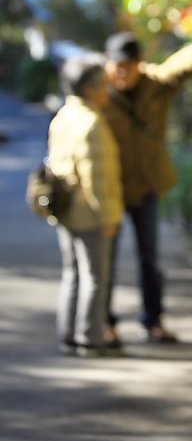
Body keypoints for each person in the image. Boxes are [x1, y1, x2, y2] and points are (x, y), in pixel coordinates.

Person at [103, 23, 192, 343]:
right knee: (103, 258)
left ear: (139, 64)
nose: (121, 74)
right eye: (115, 66)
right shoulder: (97, 91)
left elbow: (185, 62)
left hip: (145, 184)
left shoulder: (155, 85)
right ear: (106, 64)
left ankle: (153, 320)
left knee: (149, 256)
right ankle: (104, 323)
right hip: (108, 187)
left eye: (127, 67)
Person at [48, 54, 123, 357]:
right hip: (89, 213)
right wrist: (109, 216)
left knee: (72, 273)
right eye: (103, 84)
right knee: (95, 277)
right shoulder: (92, 123)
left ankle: (68, 335)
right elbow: (99, 179)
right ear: (90, 88)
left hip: (65, 209)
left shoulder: (64, 115)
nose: (107, 90)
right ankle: (91, 338)